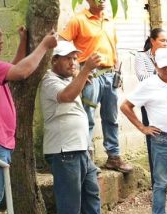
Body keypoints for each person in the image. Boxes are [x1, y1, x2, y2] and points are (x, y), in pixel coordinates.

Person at [0, 17, 57, 214]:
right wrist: (44, 45)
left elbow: (13, 69)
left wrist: (24, 42)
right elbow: (22, 71)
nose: (1, 39)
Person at [41, 42, 126, 214]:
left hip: (79, 147)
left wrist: (82, 76)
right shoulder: (49, 80)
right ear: (54, 60)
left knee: (91, 191)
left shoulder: (70, 79)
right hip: (63, 149)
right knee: (69, 195)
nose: (72, 62)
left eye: (74, 58)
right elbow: (66, 97)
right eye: (67, 58)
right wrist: (86, 69)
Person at [59, 0, 132, 173]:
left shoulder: (108, 20)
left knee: (112, 118)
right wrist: (77, 71)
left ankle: (114, 157)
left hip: (110, 76)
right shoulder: (78, 20)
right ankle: (87, 160)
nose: (103, 1)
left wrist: (118, 71)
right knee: (87, 118)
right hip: (90, 76)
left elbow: (114, 48)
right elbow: (61, 43)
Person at [120, 47, 167, 214]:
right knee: (161, 183)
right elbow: (125, 106)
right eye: (164, 67)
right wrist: (143, 128)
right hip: (161, 139)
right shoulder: (149, 84)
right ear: (155, 65)